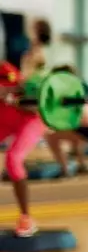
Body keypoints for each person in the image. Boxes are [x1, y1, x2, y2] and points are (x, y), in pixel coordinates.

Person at [0, 60, 48, 237]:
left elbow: (32, 103)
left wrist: (10, 93)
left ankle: (26, 217)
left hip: (28, 121)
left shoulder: (6, 70)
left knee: (13, 159)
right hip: (4, 120)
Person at [43, 65, 88, 178]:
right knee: (74, 135)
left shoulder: (65, 91)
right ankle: (82, 165)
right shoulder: (81, 86)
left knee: (51, 137)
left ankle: (65, 169)